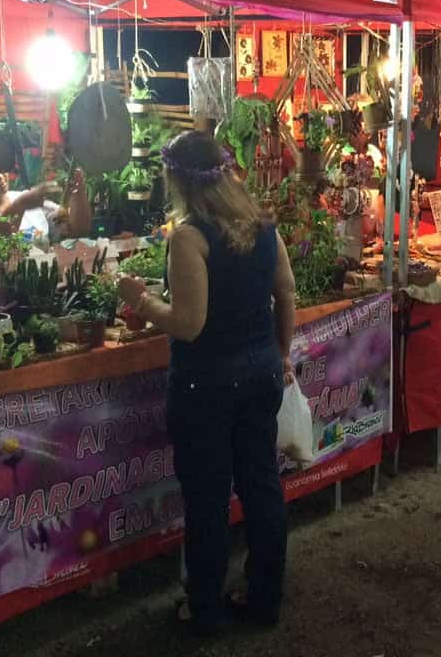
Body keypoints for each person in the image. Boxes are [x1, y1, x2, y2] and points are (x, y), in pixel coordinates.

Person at [117, 130, 296, 636]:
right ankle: (264, 600)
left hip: (207, 386)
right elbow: (286, 292)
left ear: (178, 179)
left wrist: (139, 298)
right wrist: (279, 354)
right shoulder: (262, 226)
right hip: (261, 371)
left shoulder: (189, 236)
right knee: (262, 489)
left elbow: (189, 324)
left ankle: (205, 611)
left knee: (208, 501)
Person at [0, 148, 90, 268]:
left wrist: (79, 192)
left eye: (0, 170)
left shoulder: (23, 198)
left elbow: (77, 231)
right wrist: (20, 206)